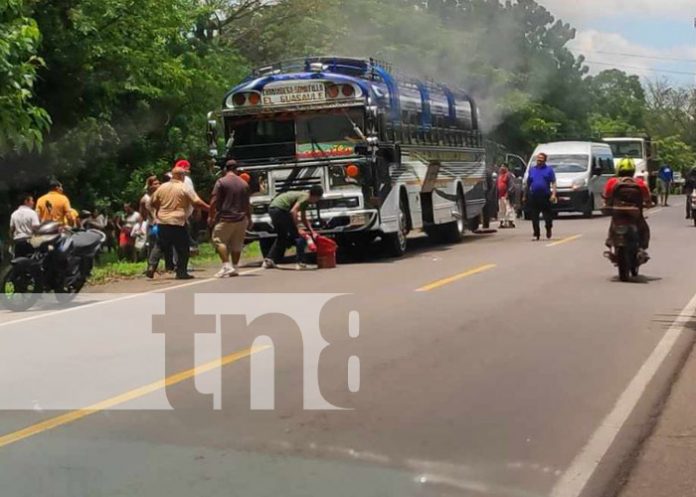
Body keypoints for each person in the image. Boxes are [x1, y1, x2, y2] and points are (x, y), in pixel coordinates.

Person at [147, 167, 209, 280]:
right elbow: (196, 202)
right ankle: (181, 272)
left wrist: (159, 211)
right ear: (181, 176)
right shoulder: (184, 187)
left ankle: (151, 267)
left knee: (160, 245)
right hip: (177, 222)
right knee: (183, 248)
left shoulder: (162, 187)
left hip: (163, 221)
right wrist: (209, 209)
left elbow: (152, 202)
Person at [263, 185, 324, 270]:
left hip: (273, 209)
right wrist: (298, 228)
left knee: (282, 236)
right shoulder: (305, 197)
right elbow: (293, 211)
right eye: (317, 199)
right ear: (315, 196)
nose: (316, 201)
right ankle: (300, 263)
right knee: (300, 237)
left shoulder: (305, 199)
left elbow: (303, 218)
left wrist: (312, 230)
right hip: (281, 210)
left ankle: (268, 260)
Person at [208, 160, 251, 278]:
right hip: (241, 218)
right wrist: (249, 218)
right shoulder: (244, 183)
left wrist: (211, 216)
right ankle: (235, 267)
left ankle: (227, 266)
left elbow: (213, 201)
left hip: (226, 218)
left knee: (218, 241)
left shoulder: (221, 182)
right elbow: (248, 204)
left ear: (225, 169)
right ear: (236, 169)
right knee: (237, 244)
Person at [603, 158, 651, 254]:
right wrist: (648, 204)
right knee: (644, 229)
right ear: (633, 171)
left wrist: (607, 204)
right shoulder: (639, 183)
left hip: (617, 212)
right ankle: (642, 249)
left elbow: (607, 197)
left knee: (613, 226)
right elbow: (647, 199)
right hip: (635, 213)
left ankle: (610, 243)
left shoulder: (612, 182)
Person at [524, 153, 557, 241]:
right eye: (538, 159)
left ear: (545, 160)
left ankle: (548, 228)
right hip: (534, 196)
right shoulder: (532, 170)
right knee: (534, 216)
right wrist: (525, 195)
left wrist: (553, 194)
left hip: (545, 196)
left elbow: (553, 182)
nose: (539, 160)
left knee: (548, 216)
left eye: (541, 159)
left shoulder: (549, 170)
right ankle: (536, 233)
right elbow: (528, 183)